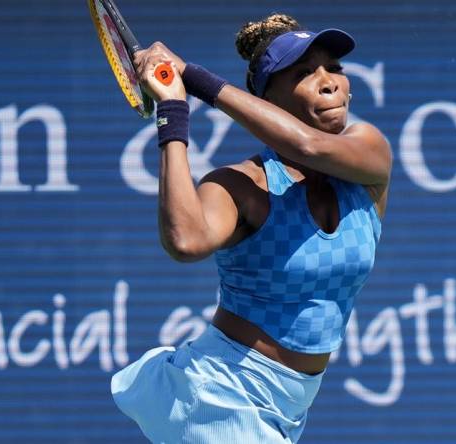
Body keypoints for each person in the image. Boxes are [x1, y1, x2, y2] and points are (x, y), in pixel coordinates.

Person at [110, 13, 391, 444]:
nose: (329, 81)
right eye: (303, 73)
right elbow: (185, 241)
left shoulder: (370, 151)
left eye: (333, 68)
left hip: (290, 408)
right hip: (221, 394)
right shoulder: (241, 186)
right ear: (267, 101)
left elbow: (308, 145)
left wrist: (194, 76)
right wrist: (172, 110)